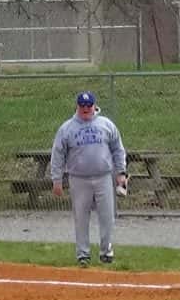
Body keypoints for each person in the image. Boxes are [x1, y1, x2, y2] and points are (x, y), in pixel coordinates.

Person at [50, 91, 128, 267]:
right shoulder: (67, 128)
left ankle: (106, 251)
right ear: (77, 106)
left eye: (88, 105)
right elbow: (58, 154)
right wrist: (56, 180)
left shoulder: (106, 124)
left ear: (94, 106)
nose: (85, 109)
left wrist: (121, 172)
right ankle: (83, 254)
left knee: (107, 216)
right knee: (81, 217)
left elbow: (118, 149)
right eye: (82, 106)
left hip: (103, 176)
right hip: (78, 179)